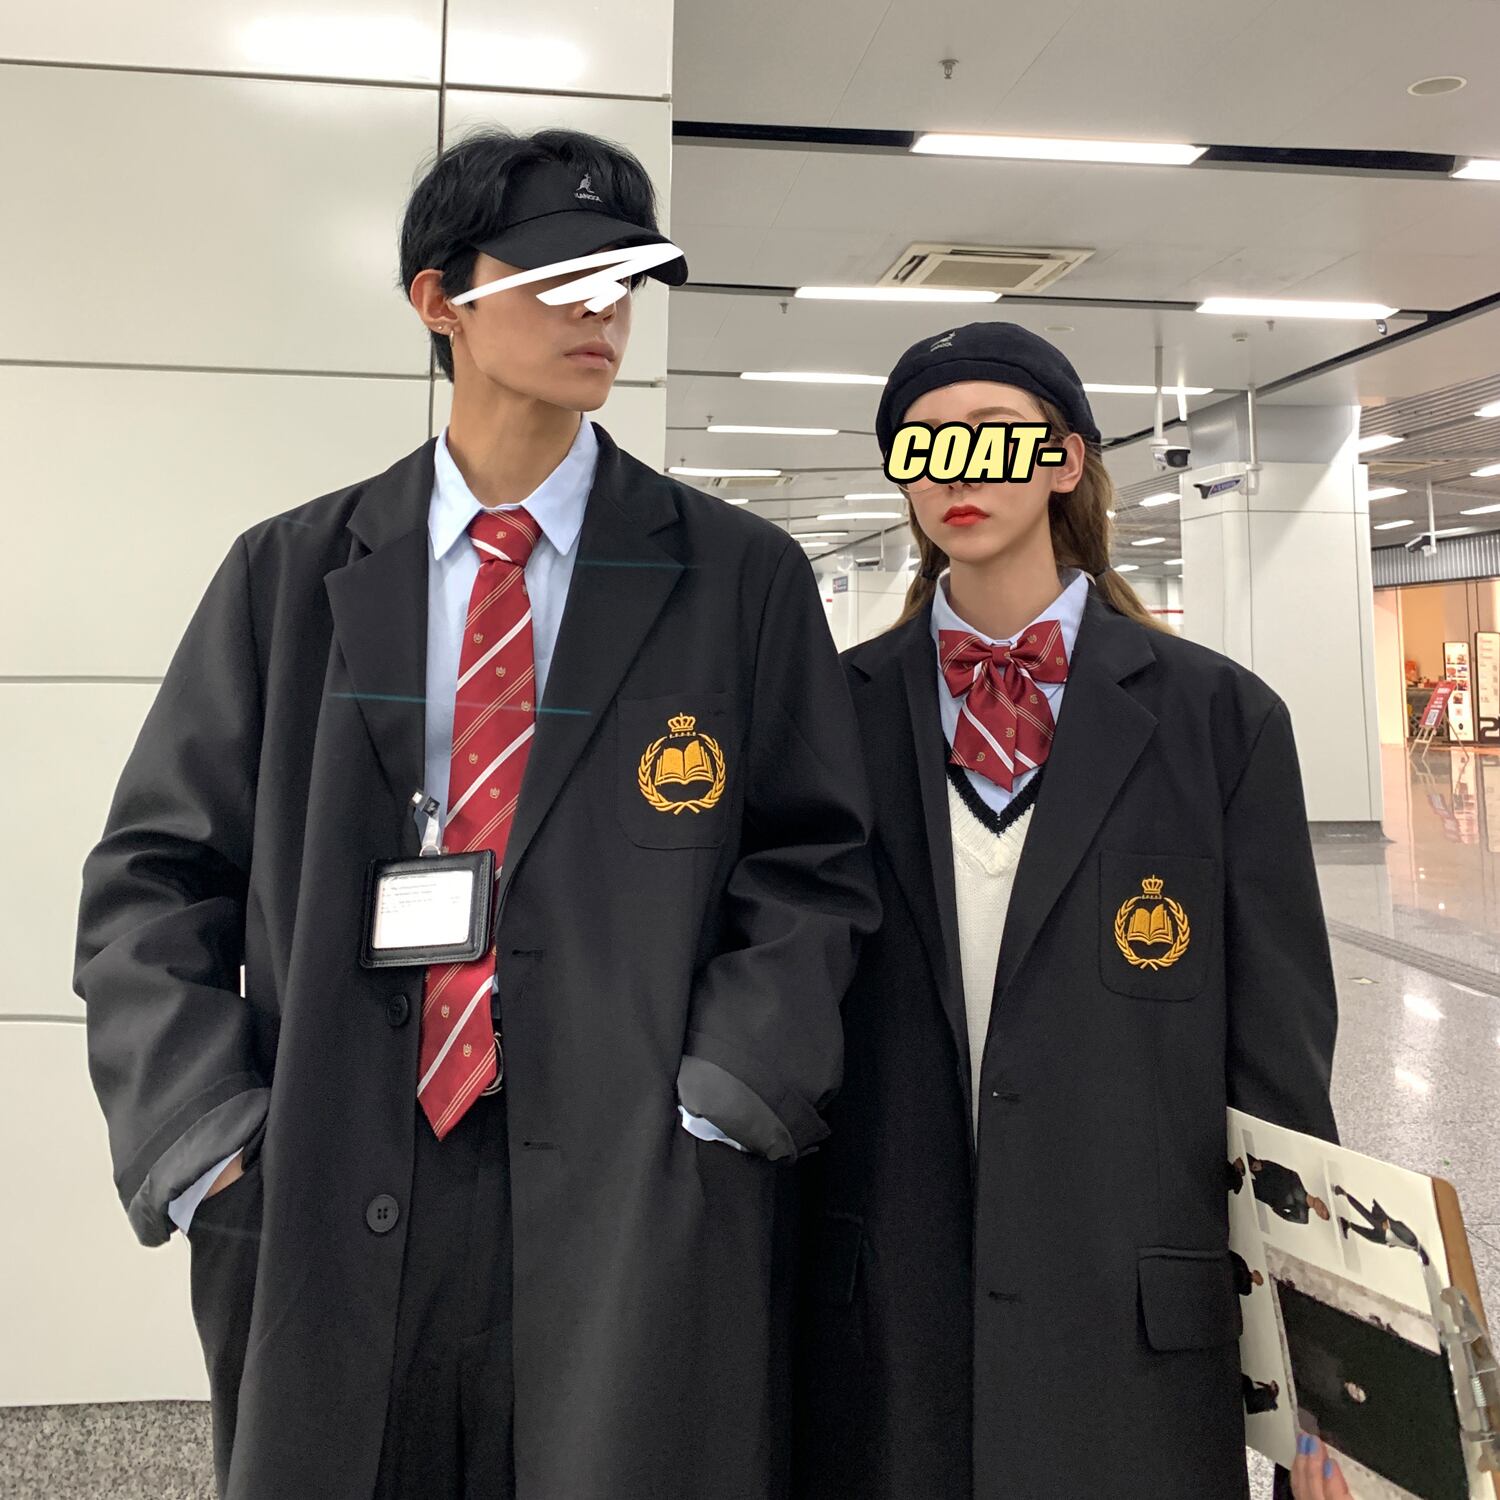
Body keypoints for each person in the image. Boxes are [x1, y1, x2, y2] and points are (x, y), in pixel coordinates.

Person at [75, 126, 879, 1500]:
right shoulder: (291, 575)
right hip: (334, 1159)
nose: (601, 311)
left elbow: (815, 864)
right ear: (438, 300)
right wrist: (206, 1142)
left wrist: (727, 1097)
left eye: (623, 282)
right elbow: (154, 875)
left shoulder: (738, 579)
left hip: (630, 1166)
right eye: (559, 277)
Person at [792, 322, 1341, 1500]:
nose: (958, 469)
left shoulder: (1220, 722)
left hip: (1136, 1331)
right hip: (882, 1328)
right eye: (924, 444)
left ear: (1066, 460)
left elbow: (1280, 1076)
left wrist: (1319, 1392)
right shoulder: (829, 715)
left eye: (993, 436)